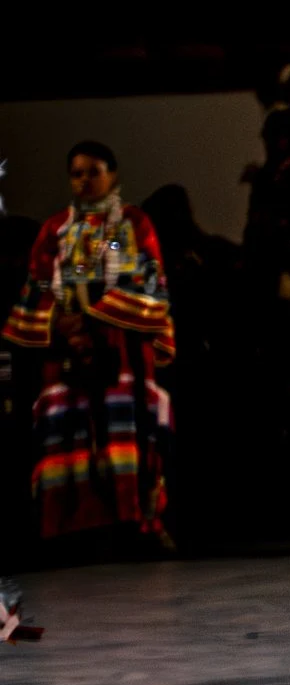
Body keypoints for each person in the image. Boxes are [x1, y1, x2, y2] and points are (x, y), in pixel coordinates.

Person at [3, 143, 174, 548]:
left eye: (93, 171)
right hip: (66, 349)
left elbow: (150, 280)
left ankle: (136, 522)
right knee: (66, 429)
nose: (84, 180)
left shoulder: (133, 224)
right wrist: (58, 321)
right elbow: (37, 285)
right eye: (77, 173)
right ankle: (71, 530)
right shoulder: (55, 230)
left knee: (127, 431)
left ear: (112, 175)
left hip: (122, 347)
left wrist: (96, 315)